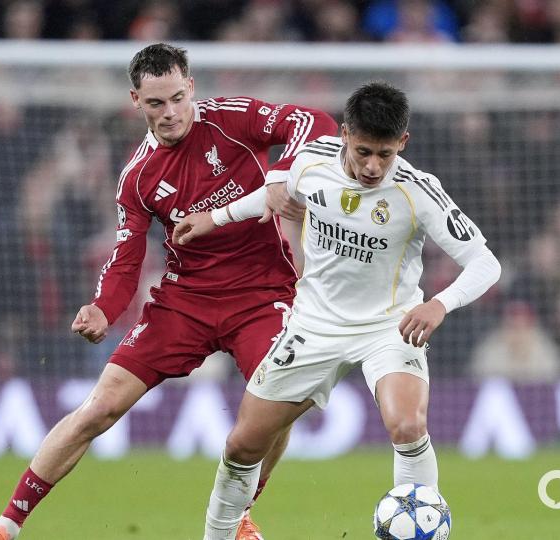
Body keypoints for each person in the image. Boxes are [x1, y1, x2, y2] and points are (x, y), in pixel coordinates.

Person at [0, 43, 337, 540]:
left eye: (177, 98)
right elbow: (126, 258)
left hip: (262, 294)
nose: (170, 114)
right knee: (98, 408)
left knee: (275, 404)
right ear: (135, 102)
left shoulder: (233, 118)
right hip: (183, 302)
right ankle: (4, 526)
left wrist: (279, 176)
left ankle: (238, 516)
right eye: (155, 104)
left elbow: (314, 121)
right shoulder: (138, 177)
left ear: (191, 88)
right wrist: (103, 308)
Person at [172, 81, 502, 539]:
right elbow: (274, 196)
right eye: (364, 151)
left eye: (384, 155)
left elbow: (485, 263)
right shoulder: (310, 161)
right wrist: (216, 217)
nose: (372, 166)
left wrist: (438, 304)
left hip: (390, 326)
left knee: (408, 425)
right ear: (345, 134)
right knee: (243, 443)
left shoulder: (418, 191)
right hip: (313, 324)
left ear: (402, 143)